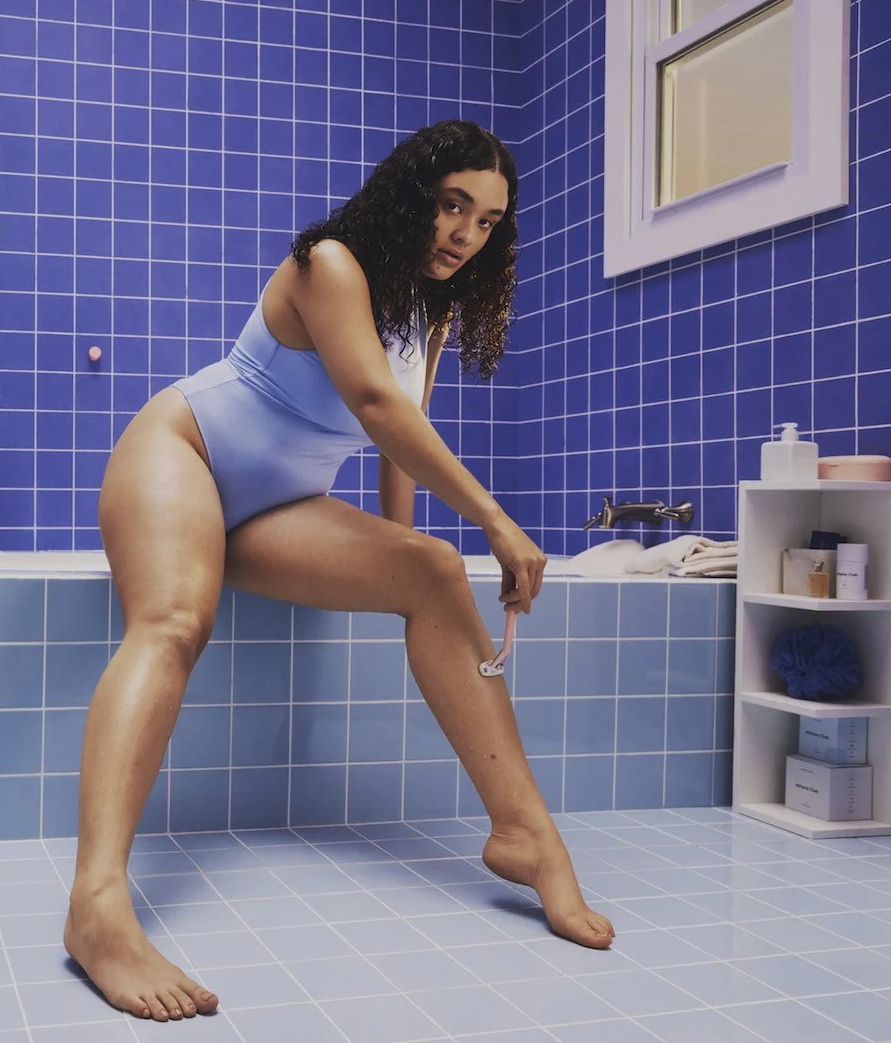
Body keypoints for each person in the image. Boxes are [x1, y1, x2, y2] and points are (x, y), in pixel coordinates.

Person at [61, 119, 615, 1022]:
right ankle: (95, 908)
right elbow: (370, 404)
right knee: (172, 622)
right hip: (185, 456)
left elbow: (400, 435)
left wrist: (399, 555)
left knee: (433, 570)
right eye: (451, 207)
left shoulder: (429, 311)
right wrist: (497, 523)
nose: (463, 235)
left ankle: (525, 835)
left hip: (280, 507)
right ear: (411, 196)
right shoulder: (331, 262)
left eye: (485, 222)